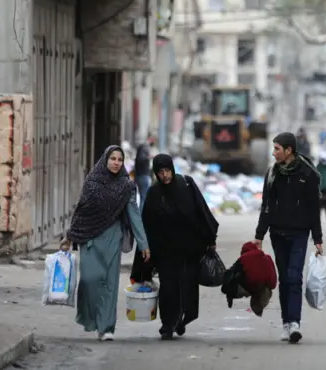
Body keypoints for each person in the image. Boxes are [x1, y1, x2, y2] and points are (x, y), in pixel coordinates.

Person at [61, 145, 150, 342]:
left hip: (112, 238)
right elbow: (81, 211)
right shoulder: (92, 182)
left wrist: (143, 243)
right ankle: (91, 318)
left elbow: (134, 215)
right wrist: (70, 236)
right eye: (113, 159)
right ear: (105, 160)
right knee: (89, 281)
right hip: (90, 239)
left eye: (120, 159)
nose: (116, 163)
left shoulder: (126, 186)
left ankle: (106, 327)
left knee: (110, 285)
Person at [132, 154, 219, 340]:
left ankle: (182, 319)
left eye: (167, 171)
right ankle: (168, 324)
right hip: (165, 250)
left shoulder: (186, 185)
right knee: (168, 287)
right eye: (160, 172)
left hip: (189, 248)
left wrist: (210, 239)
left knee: (187, 286)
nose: (164, 176)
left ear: (172, 168)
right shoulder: (155, 193)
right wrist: (145, 249)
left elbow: (201, 211)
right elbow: (147, 223)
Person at [254, 132, 323, 344]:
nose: (273, 153)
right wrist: (259, 235)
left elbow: (314, 208)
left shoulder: (308, 174)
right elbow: (266, 206)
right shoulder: (273, 173)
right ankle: (286, 322)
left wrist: (318, 238)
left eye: (277, 149)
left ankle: (295, 323)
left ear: (289, 150)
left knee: (294, 276)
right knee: (284, 278)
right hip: (277, 233)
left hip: (299, 233)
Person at [134, 135, 154, 209]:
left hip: (140, 175)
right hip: (143, 176)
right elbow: (142, 158)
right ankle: (141, 216)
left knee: (142, 197)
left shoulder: (142, 147)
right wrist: (149, 157)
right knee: (143, 197)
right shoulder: (145, 147)